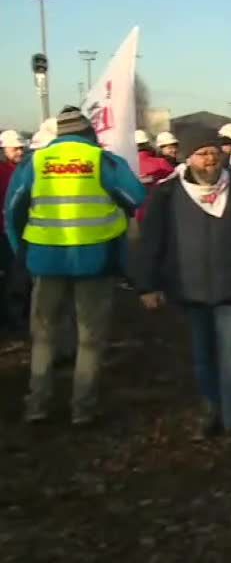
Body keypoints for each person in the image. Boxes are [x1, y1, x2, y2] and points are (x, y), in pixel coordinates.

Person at [4, 107, 146, 425]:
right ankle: (82, 409)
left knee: (43, 337)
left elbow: (13, 210)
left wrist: (21, 252)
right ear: (87, 132)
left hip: (45, 260)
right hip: (95, 260)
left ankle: (36, 405)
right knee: (89, 340)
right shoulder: (103, 160)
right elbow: (135, 196)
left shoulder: (35, 162)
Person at [134, 127, 231, 440]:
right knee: (202, 357)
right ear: (189, 157)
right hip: (189, 290)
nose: (210, 159)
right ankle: (211, 410)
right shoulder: (166, 195)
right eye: (202, 153)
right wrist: (147, 285)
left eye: (214, 152)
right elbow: (151, 242)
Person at [1, 130, 27, 335]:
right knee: (11, 276)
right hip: (4, 232)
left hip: (20, 230)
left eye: (21, 148)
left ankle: (17, 318)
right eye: (15, 148)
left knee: (17, 275)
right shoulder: (4, 172)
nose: (19, 151)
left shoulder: (24, 170)